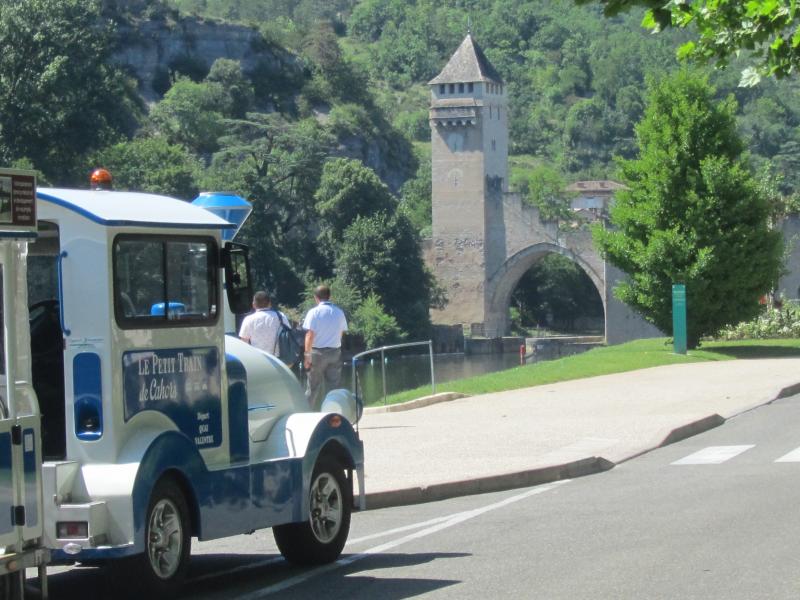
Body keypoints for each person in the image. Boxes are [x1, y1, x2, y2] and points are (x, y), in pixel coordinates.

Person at [302, 285, 348, 411]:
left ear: (315, 297)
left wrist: (307, 356)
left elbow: (310, 335)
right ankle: (334, 413)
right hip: (335, 352)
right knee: (334, 388)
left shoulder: (313, 312)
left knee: (312, 388)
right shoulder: (339, 312)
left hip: (317, 353)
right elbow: (341, 333)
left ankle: (306, 413)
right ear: (329, 296)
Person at [238, 291, 288, 357]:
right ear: (270, 304)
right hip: (279, 359)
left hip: (258, 358)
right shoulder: (281, 316)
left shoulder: (248, 319)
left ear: (253, 304)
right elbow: (288, 334)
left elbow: (244, 343)